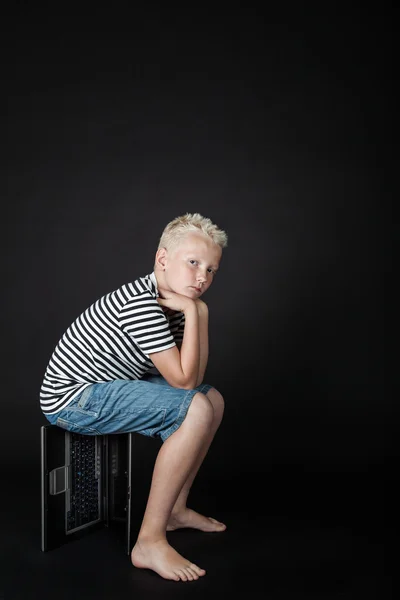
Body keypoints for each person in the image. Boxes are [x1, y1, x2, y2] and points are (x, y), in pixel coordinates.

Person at [40, 212, 228, 582]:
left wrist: (197, 313)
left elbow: (195, 378)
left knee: (213, 400)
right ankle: (149, 541)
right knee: (196, 406)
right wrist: (194, 309)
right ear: (162, 259)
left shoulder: (175, 301)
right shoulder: (141, 303)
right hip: (73, 398)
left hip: (109, 388)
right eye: (193, 263)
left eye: (211, 270)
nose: (202, 277)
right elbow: (184, 384)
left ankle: (175, 510)